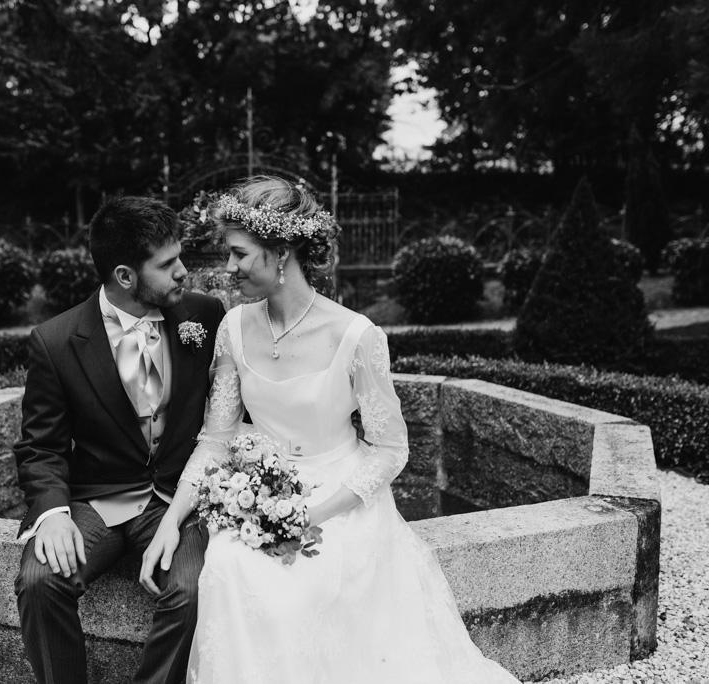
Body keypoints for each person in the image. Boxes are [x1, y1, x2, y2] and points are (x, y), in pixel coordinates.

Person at [140, 177, 522, 684]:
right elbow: (216, 439)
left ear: (281, 252)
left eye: (238, 254)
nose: (228, 269)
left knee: (304, 586)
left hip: (340, 500)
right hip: (257, 494)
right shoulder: (232, 329)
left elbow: (390, 450)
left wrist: (307, 515)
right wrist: (172, 519)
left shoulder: (358, 336)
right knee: (230, 571)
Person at [14, 196, 226, 684]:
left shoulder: (204, 315)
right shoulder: (56, 340)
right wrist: (51, 513)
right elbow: (40, 446)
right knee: (38, 580)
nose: (183, 272)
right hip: (97, 502)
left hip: (178, 499)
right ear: (126, 276)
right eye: (168, 264)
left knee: (193, 591)